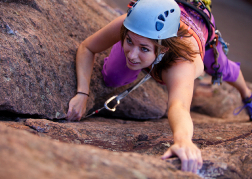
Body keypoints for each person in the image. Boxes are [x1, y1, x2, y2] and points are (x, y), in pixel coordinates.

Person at [66, 0, 252, 173]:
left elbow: (178, 106)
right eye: (129, 41)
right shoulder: (135, 24)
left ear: (164, 49)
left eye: (144, 48)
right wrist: (82, 92)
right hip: (161, 16)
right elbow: (87, 48)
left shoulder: (182, 65)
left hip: (196, 23)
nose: (131, 55)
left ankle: (247, 94)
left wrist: (183, 141)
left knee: (222, 68)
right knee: (112, 77)